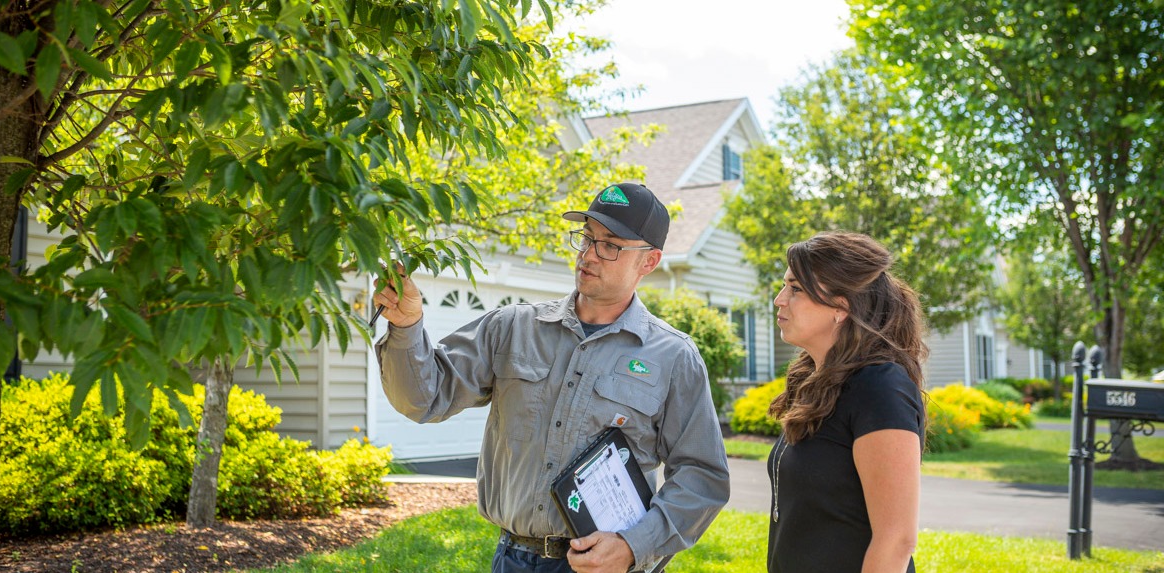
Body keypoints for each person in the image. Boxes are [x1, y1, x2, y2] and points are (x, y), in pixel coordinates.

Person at [372, 182, 730, 573]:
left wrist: (634, 546)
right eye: (587, 238)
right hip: (511, 559)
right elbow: (424, 398)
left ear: (650, 261)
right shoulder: (512, 328)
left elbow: (702, 475)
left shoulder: (674, 356)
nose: (588, 255)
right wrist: (407, 326)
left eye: (610, 245)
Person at [766, 231, 927, 573]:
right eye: (784, 286)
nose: (780, 299)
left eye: (796, 289)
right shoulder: (815, 381)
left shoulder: (880, 387)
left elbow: (896, 539)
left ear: (840, 308)